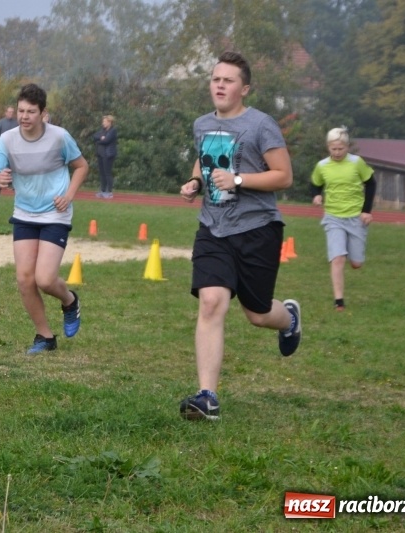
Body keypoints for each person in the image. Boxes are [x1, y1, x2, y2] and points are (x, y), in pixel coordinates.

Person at [178, 51, 302, 421]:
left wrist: (239, 179)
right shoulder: (202, 124)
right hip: (213, 228)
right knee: (212, 301)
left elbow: (284, 175)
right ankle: (207, 397)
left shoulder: (261, 125)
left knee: (258, 313)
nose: (219, 84)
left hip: (257, 229)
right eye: (215, 79)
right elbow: (203, 158)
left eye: (228, 80)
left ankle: (290, 318)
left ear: (243, 88)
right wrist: (195, 181)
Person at [0, 84, 88, 354]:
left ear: (44, 113)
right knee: (24, 279)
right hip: (24, 213)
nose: (24, 116)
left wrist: (69, 195)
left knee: (44, 279)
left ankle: (69, 301)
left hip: (55, 213)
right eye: (21, 110)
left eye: (31, 111)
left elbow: (81, 166)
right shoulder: (7, 140)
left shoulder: (59, 137)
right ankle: (44, 336)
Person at [311, 126, 376, 311]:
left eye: (341, 149)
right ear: (328, 148)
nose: (337, 152)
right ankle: (339, 301)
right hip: (333, 217)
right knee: (338, 258)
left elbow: (371, 183)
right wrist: (317, 195)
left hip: (355, 217)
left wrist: (366, 211)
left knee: (356, 263)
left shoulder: (357, 163)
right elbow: (315, 184)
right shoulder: (322, 166)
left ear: (347, 147)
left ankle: (351, 249)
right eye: (333, 149)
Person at [92, 115, 118, 199]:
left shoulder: (113, 130)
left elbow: (107, 140)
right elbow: (95, 136)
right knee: (102, 173)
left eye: (105, 121)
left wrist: (100, 141)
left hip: (108, 154)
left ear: (109, 122)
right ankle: (102, 190)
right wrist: (101, 138)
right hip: (100, 154)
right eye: (103, 121)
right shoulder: (102, 130)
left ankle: (109, 192)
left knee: (107, 173)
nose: (103, 123)